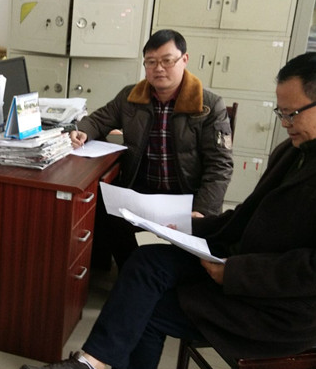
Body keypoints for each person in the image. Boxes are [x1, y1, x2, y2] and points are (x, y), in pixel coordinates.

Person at [19, 52, 316, 369]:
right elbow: (248, 217)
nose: (285, 125)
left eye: (292, 114)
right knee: (146, 260)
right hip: (245, 266)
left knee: (146, 307)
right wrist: (186, 228)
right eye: (281, 114)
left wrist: (234, 272)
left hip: (283, 308)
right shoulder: (294, 151)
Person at [71, 29, 233, 268]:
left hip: (187, 197)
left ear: (184, 60)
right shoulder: (130, 97)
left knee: (186, 262)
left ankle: (164, 274)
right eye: (151, 62)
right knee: (98, 207)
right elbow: (98, 120)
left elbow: (220, 166)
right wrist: (83, 130)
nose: (159, 69)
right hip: (141, 192)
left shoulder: (208, 105)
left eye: (167, 61)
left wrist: (203, 210)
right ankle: (126, 268)